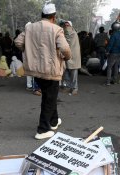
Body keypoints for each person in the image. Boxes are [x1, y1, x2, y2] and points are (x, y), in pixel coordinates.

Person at [14, 2, 71, 140]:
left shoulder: (30, 28)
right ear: (54, 16)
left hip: (35, 70)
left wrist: (29, 52)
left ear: (42, 15)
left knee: (49, 95)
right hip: (51, 70)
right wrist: (66, 57)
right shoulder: (57, 29)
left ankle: (54, 121)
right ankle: (42, 129)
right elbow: (65, 49)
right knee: (49, 98)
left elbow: (18, 42)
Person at [61, 20, 81, 95]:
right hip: (68, 55)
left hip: (72, 55)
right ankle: (68, 87)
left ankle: (74, 88)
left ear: (70, 26)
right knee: (66, 72)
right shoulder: (72, 32)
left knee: (73, 73)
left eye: (67, 25)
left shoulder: (70, 33)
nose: (66, 26)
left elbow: (66, 42)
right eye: (65, 25)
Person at [105, 21, 120, 86]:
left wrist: (107, 51)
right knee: (116, 67)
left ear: (113, 27)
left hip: (112, 53)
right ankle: (114, 80)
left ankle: (108, 81)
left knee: (109, 67)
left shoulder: (113, 35)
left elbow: (110, 44)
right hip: (118, 53)